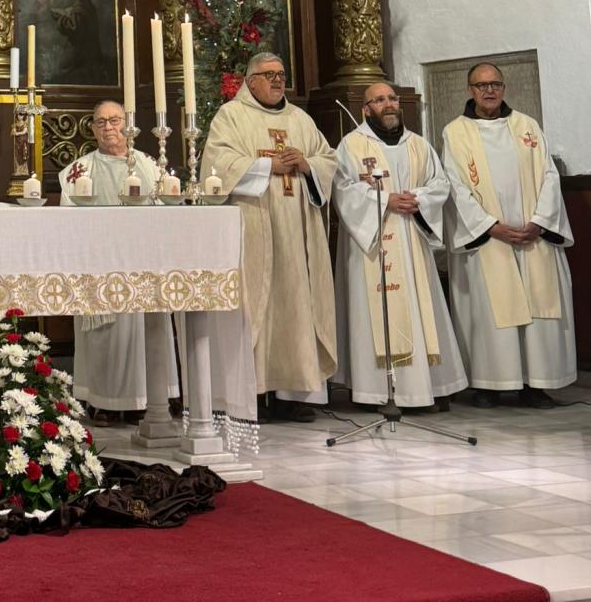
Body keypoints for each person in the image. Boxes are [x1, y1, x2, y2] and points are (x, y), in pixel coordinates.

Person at [200, 51, 336, 421]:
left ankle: (291, 394)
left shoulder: (301, 119)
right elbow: (217, 165)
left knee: (295, 305)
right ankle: (251, 395)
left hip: (296, 232)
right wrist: (267, 165)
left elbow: (328, 160)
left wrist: (307, 165)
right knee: (254, 305)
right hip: (253, 228)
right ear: (250, 81)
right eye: (268, 74)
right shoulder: (232, 116)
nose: (277, 80)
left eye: (281, 74)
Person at [442, 63, 576, 408]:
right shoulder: (455, 132)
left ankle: (537, 384)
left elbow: (548, 175)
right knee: (490, 312)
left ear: (504, 87)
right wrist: (489, 226)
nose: (489, 91)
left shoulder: (526, 125)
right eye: (481, 85)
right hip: (489, 241)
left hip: (533, 237)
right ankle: (490, 384)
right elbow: (455, 186)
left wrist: (540, 222)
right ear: (470, 89)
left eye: (495, 84)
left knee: (538, 309)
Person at [333, 82, 466, 410]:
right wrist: (383, 200)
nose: (388, 104)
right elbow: (342, 189)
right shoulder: (351, 146)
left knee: (421, 309)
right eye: (379, 100)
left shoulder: (418, 145)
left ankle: (427, 387)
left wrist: (416, 198)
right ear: (366, 109)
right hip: (372, 246)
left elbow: (440, 183)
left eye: (392, 98)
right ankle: (377, 391)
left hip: (411, 243)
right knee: (375, 315)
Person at [59, 99, 179, 422]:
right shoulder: (77, 172)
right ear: (93, 129)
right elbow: (69, 223)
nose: (108, 128)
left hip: (144, 264)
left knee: (144, 331)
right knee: (106, 338)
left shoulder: (149, 164)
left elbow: (166, 206)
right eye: (101, 122)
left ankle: (150, 399)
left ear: (128, 126)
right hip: (101, 267)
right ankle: (104, 401)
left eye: (114, 121)